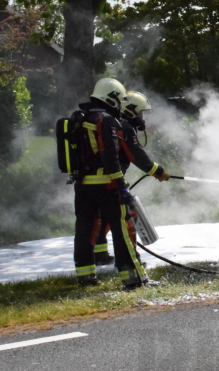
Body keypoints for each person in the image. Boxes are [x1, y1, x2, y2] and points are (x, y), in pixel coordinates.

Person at [72, 78, 149, 289]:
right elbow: (110, 155)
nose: (120, 104)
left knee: (85, 229)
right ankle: (133, 277)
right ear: (111, 97)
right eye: (119, 99)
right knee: (123, 227)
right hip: (106, 185)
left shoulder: (80, 118)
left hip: (83, 186)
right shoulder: (105, 120)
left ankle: (86, 276)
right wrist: (121, 183)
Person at [93, 91, 170, 266]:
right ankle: (129, 261)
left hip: (98, 180)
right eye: (140, 112)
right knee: (126, 217)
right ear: (129, 109)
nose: (142, 117)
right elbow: (137, 156)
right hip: (111, 180)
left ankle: (99, 254)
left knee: (103, 216)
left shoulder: (113, 123)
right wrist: (158, 172)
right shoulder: (125, 127)